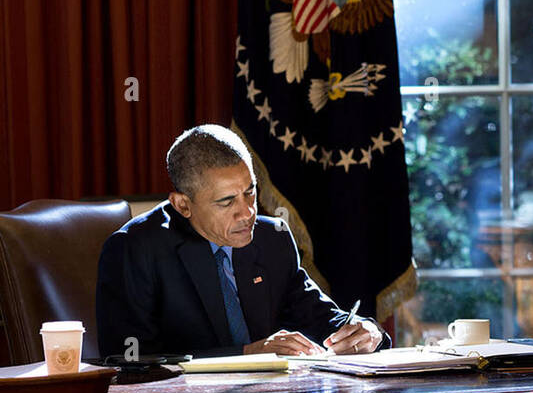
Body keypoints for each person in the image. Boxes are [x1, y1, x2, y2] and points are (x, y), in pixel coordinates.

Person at [96, 124, 388, 360]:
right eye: (226, 202)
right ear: (183, 205)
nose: (248, 212)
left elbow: (321, 319)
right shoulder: (133, 250)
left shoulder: (272, 238)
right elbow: (129, 361)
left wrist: (367, 331)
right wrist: (247, 354)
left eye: (250, 192)